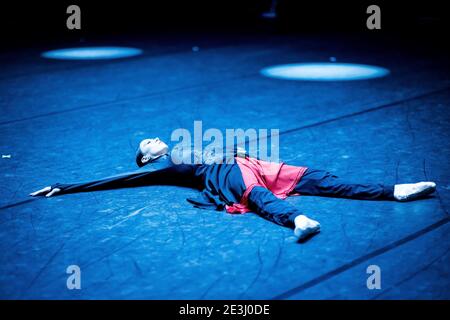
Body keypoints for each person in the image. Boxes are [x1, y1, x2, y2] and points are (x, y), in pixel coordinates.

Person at [30, 137, 437, 241]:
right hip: (228, 176)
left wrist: (234, 149)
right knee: (261, 201)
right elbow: (121, 179)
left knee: (323, 178)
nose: (153, 139)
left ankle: (396, 191)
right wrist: (64, 187)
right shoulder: (168, 168)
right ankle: (299, 221)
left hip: (253, 164)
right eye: (146, 144)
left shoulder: (190, 148)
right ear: (148, 158)